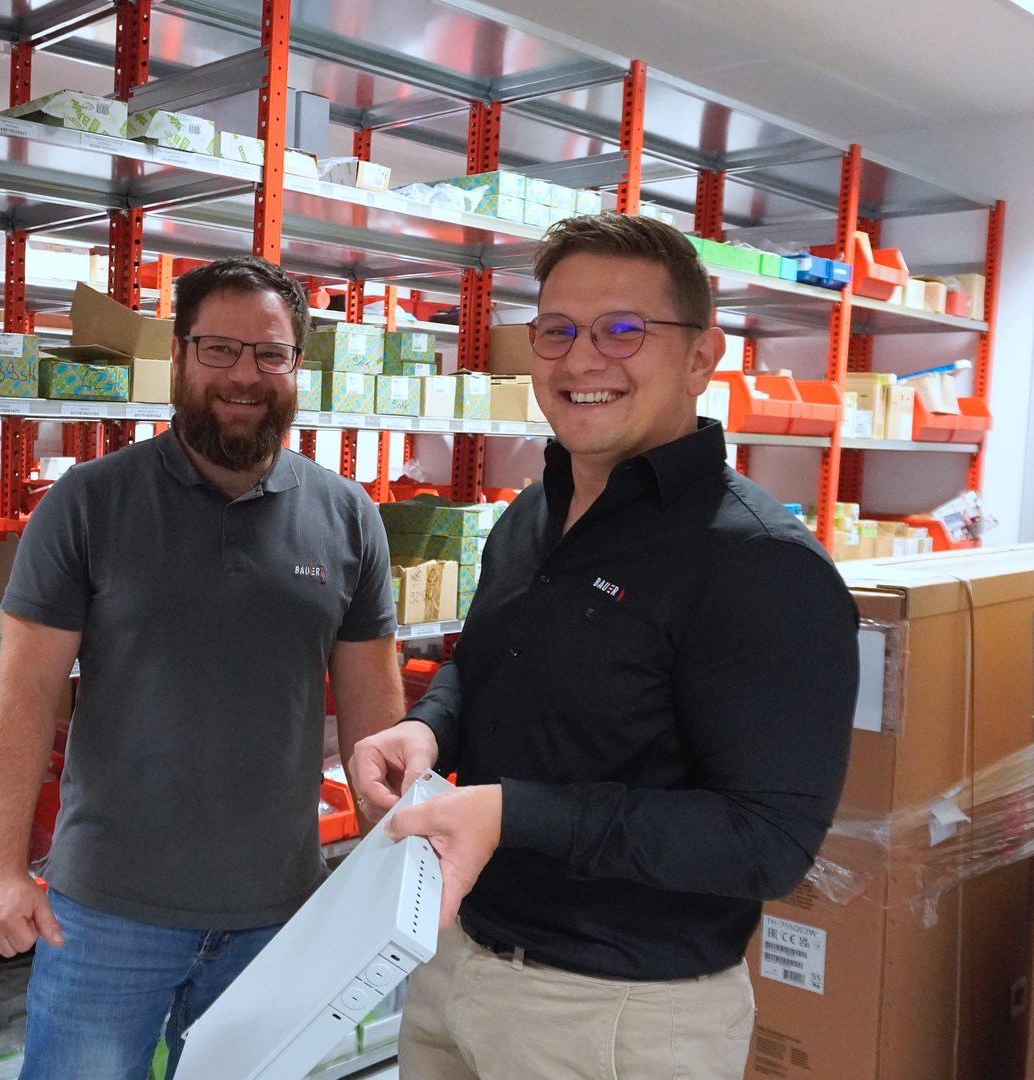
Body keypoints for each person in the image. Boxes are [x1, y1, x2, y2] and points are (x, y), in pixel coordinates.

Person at [350, 213, 859, 1079]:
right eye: (557, 330)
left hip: (620, 1018)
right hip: (455, 965)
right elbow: (490, 667)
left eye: (624, 330)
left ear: (703, 355)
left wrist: (515, 812)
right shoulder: (529, 518)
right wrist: (430, 727)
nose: (582, 359)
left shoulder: (759, 565)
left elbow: (769, 841)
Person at [0, 255, 405, 1079]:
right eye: (219, 350)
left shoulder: (349, 519)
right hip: (103, 915)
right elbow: (24, 696)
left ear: (295, 367)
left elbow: (378, 730)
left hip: (278, 914)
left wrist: (398, 876)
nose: (245, 376)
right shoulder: (89, 504)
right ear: (178, 355)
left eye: (269, 354)